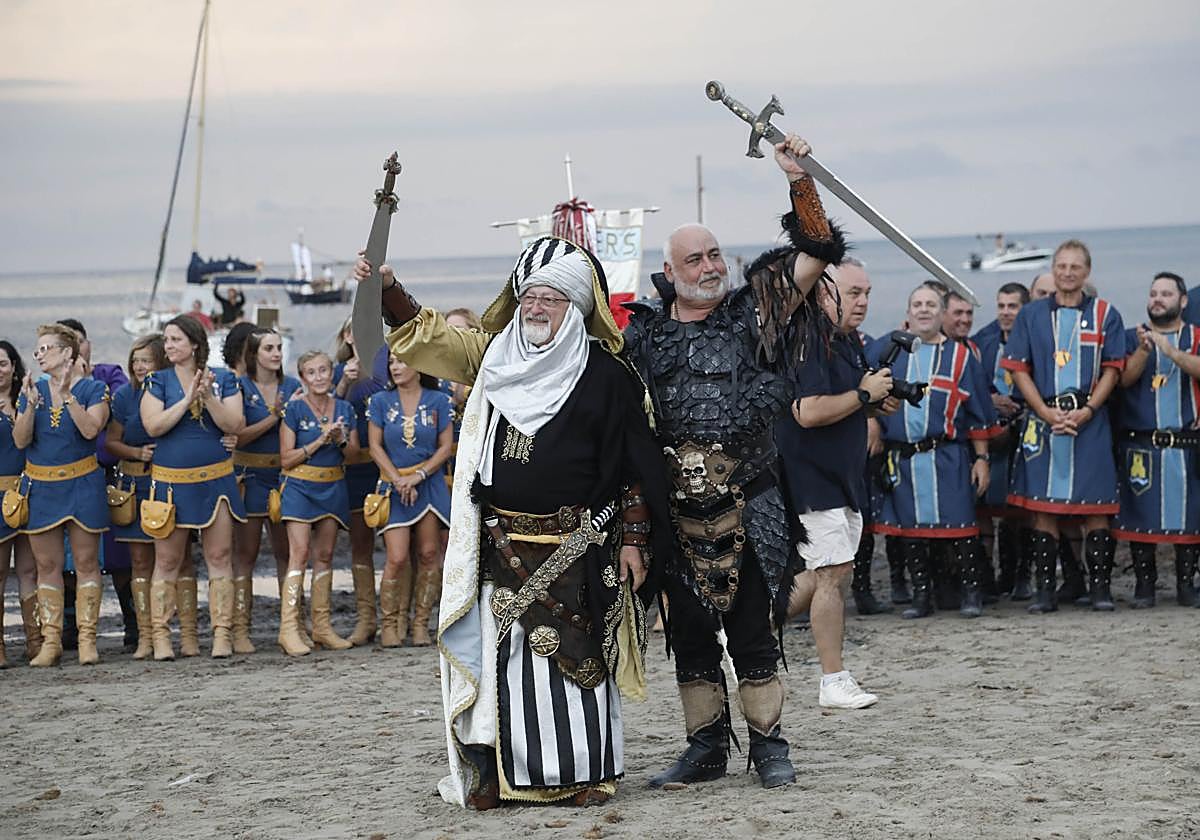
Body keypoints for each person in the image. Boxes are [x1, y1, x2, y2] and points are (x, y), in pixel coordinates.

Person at [356, 235, 671, 809]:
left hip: (583, 543)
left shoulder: (608, 375)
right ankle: (497, 777)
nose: (536, 307)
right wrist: (388, 289)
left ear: (576, 307)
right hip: (497, 542)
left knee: (578, 656)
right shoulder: (493, 357)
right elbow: (431, 340)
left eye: (551, 297)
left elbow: (634, 467)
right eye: (529, 296)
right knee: (499, 661)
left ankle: (585, 774)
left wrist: (635, 538)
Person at [624, 134, 839, 788]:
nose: (710, 263)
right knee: (688, 635)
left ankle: (769, 746)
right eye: (695, 257)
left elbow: (813, 255)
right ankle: (705, 747)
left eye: (716, 252)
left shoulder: (757, 312)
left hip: (752, 498)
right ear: (670, 270)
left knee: (754, 629)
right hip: (676, 509)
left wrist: (798, 181)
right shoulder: (645, 336)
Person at [778, 267, 894, 708]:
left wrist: (877, 400)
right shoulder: (808, 340)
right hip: (811, 476)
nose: (863, 301)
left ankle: (743, 630)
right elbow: (806, 411)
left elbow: (845, 402)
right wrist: (863, 397)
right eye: (853, 292)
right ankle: (833, 679)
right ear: (825, 294)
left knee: (826, 572)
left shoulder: (846, 341)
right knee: (831, 574)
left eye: (868, 292)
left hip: (843, 478)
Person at [1002, 240, 1126, 613]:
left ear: (1087, 272)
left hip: (1090, 421)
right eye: (1061, 266)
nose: (1068, 273)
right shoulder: (1032, 315)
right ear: (1053, 270)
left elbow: (1113, 368)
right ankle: (1045, 592)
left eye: (1075, 267)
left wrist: (1088, 410)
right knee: (1042, 508)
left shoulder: (1106, 314)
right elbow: (1018, 367)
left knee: (1097, 507)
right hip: (1045, 422)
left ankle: (1100, 589)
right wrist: (1042, 410)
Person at [870, 286, 999, 618]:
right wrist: (871, 423)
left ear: (943, 314)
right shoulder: (889, 351)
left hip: (948, 457)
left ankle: (971, 593)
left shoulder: (960, 356)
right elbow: (863, 392)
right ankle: (921, 597)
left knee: (961, 528)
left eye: (931, 304)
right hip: (904, 461)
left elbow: (978, 416)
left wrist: (982, 460)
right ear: (908, 312)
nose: (924, 310)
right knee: (912, 532)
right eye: (917, 304)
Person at [141, 315, 246, 660]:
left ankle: (221, 635)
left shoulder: (225, 379)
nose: (168, 346)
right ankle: (161, 638)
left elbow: (235, 424)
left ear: (195, 344)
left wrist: (208, 398)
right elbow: (154, 426)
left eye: (175, 340)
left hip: (216, 481)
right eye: (167, 340)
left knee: (219, 556)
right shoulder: (157, 381)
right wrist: (187, 400)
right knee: (168, 561)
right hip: (171, 486)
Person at [13, 324, 111, 666]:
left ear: (68, 353)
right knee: (47, 565)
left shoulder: (94, 389)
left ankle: (87, 640)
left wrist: (68, 394)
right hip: (42, 486)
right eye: (37, 349)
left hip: (82, 483)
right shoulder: (33, 389)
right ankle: (51, 641)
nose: (39, 354)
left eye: (47, 348)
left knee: (85, 562)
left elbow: (90, 430)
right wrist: (27, 406)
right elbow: (21, 441)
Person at [1115, 272, 1200, 607]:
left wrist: (1172, 351)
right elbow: (1124, 380)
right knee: (1140, 515)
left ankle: (1185, 585)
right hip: (1142, 442)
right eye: (1153, 293)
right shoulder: (1130, 337)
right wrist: (1144, 350)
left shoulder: (1195, 336)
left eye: (1166, 293)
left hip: (1184, 443)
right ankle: (1144, 586)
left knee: (1189, 516)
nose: (1157, 299)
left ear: (1182, 301)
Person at [276, 350, 359, 657]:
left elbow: (352, 454)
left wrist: (339, 439)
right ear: (302, 378)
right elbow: (286, 459)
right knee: (300, 552)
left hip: (333, 484)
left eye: (324, 370)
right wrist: (319, 440)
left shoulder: (345, 409)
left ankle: (321, 627)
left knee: (325, 555)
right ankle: (289, 629)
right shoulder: (294, 409)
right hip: (299, 485)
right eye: (312, 372)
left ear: (331, 373)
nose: (319, 377)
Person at [367, 356, 453, 647]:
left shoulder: (440, 399)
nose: (395, 367)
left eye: (402, 361)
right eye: (392, 362)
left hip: (428, 484)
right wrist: (398, 480)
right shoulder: (380, 400)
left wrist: (418, 476)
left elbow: (445, 447)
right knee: (397, 557)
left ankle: (420, 623)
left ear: (419, 364)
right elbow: (375, 447)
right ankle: (390, 624)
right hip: (393, 486)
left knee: (430, 554)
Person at [233, 329, 302, 652]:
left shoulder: (292, 386)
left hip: (285, 475)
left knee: (287, 553)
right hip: (248, 473)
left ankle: (291, 623)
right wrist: (275, 416)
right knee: (245, 554)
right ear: (254, 353)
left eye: (279, 348)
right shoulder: (240, 386)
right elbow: (238, 436)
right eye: (269, 348)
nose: (276, 354)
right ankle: (240, 628)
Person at [104, 334, 166, 660]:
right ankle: (145, 634)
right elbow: (111, 442)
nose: (139, 366)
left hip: (165, 484)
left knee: (171, 561)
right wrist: (136, 452)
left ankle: (166, 631)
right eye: (136, 360)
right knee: (139, 562)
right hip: (131, 483)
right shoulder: (124, 396)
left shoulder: (172, 392)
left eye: (146, 360)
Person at [971, 282, 1031, 598]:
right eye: (1002, 306)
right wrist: (991, 401)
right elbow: (973, 381)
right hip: (989, 433)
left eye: (1013, 306)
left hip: (1025, 429)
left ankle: (1017, 575)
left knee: (1019, 508)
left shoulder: (1036, 341)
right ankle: (986, 578)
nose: (1006, 313)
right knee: (983, 506)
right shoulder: (984, 341)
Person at [333, 321, 388, 647]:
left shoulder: (391, 366)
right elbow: (326, 410)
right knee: (361, 544)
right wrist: (343, 383)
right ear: (347, 337)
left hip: (390, 465)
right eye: (355, 330)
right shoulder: (338, 370)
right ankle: (367, 618)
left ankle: (397, 616)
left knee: (400, 547)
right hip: (355, 466)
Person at [0, 340, 40, 666]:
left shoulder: (29, 399)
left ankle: (35, 642)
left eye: (2, 363)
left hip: (29, 492)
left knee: (30, 570)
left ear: (14, 367)